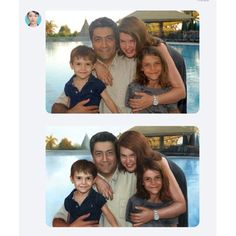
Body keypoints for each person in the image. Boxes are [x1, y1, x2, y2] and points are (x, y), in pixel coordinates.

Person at [51, 17, 136, 113]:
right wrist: (71, 113)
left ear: (116, 41)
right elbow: (56, 108)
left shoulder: (132, 65)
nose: (104, 45)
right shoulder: (84, 69)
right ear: (92, 42)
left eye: (109, 38)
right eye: (98, 39)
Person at [53, 131, 137, 227]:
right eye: (98, 154)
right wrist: (71, 228)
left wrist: (154, 214)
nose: (104, 159)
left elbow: (157, 160)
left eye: (109, 153)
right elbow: (57, 221)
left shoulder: (133, 177)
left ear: (117, 154)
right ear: (92, 157)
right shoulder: (83, 184)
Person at [118, 130, 188, 227]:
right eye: (123, 156)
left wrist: (153, 214)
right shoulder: (133, 163)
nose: (128, 161)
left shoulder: (158, 162)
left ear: (140, 153)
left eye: (132, 155)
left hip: (176, 198)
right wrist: (97, 180)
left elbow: (181, 206)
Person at [118, 16, 187, 113]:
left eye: (132, 41)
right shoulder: (123, 46)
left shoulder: (158, 48)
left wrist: (153, 100)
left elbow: (180, 92)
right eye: (123, 41)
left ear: (140, 37)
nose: (127, 46)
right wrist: (98, 65)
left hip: (175, 63)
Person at [64, 45, 119, 113]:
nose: (83, 68)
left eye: (87, 64)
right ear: (71, 65)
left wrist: (117, 116)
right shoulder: (68, 85)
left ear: (93, 66)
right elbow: (68, 103)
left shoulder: (97, 83)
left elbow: (108, 101)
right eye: (78, 64)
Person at [64, 159, 119, 226]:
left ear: (94, 180)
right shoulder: (68, 199)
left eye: (88, 178)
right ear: (72, 179)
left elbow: (108, 214)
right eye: (79, 178)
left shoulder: (97, 198)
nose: (83, 182)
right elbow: (69, 217)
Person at [126, 46, 179, 113]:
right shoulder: (135, 88)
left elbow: (174, 111)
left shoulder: (169, 89)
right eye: (147, 65)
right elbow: (137, 113)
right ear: (141, 68)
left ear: (162, 65)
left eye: (156, 63)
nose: (153, 68)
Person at [126, 158, 178, 227]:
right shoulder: (135, 202)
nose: (153, 182)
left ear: (162, 179)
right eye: (148, 179)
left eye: (157, 177)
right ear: (142, 182)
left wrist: (153, 215)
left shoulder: (170, 205)